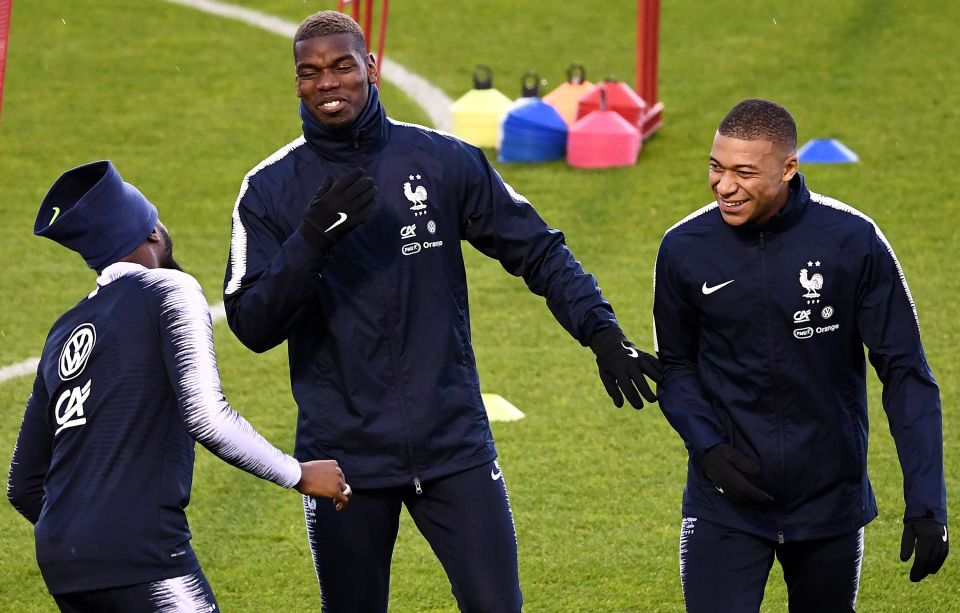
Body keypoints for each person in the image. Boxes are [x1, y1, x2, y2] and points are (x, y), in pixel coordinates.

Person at [222, 10, 661, 612]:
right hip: (344, 459)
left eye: (343, 66)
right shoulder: (270, 189)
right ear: (296, 83)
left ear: (370, 68)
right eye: (310, 72)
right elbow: (251, 324)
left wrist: (602, 332)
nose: (328, 83)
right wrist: (312, 241)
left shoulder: (441, 161)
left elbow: (537, 250)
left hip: (454, 444)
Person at [7, 160, 352, 613]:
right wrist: (300, 473)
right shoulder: (169, 290)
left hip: (63, 560)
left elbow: (23, 485)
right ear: (151, 232)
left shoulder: (62, 330)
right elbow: (206, 416)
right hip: (141, 554)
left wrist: (85, 534)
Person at [653, 98, 948, 612]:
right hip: (725, 501)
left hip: (829, 504)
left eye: (744, 172)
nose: (724, 186)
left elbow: (905, 373)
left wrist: (926, 502)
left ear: (789, 168)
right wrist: (710, 448)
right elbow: (675, 365)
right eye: (716, 168)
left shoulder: (852, 241)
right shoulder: (684, 247)